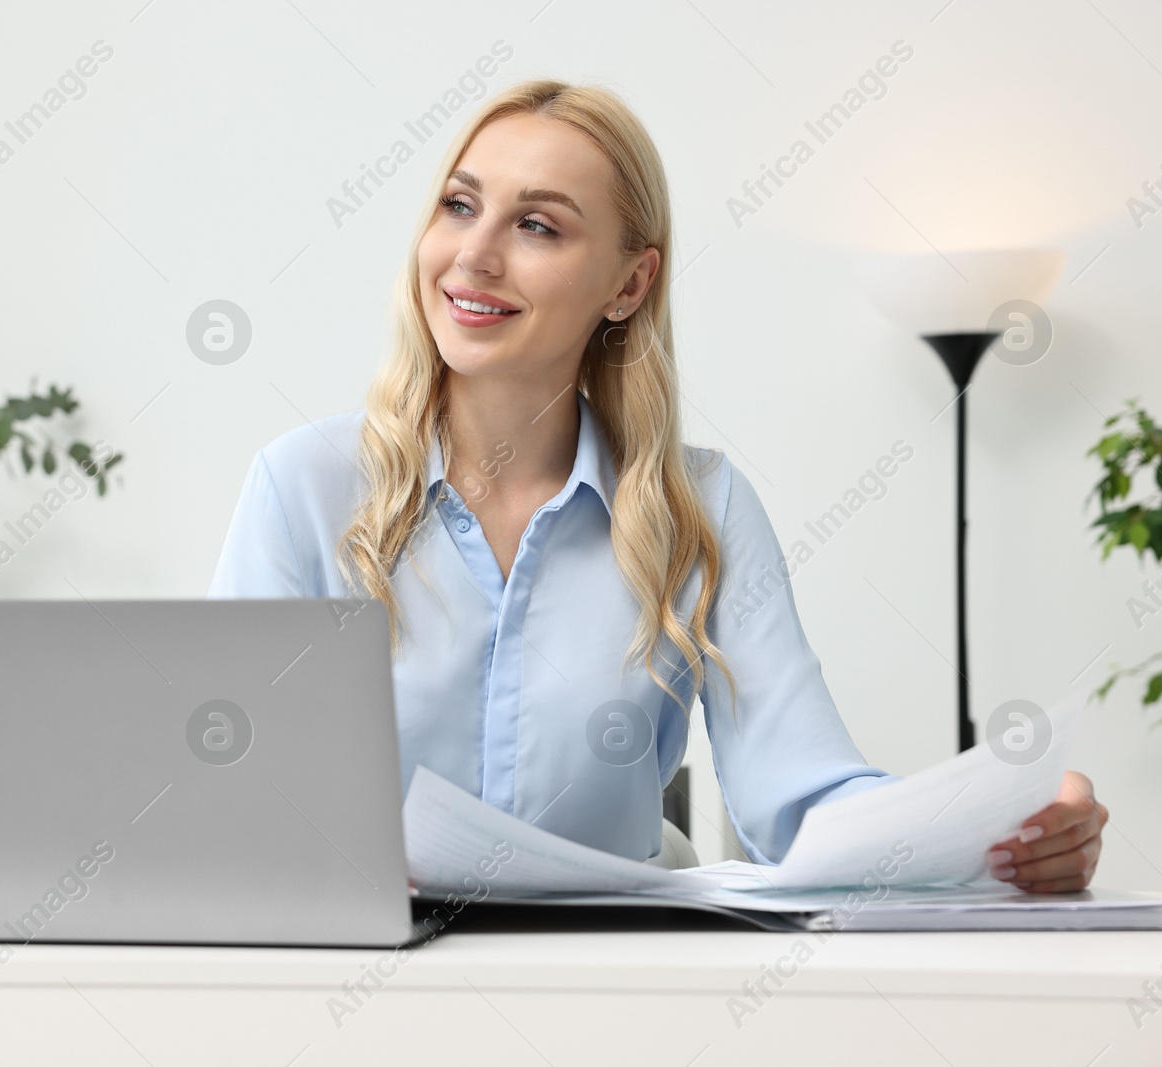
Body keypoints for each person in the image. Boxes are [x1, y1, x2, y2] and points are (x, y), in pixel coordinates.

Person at [209, 79, 1107, 893]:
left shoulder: (702, 510)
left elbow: (806, 799)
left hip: (616, 995)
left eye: (537, 226)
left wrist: (1005, 819)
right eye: (459, 205)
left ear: (630, 283)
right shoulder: (304, 487)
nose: (473, 256)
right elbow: (222, 794)